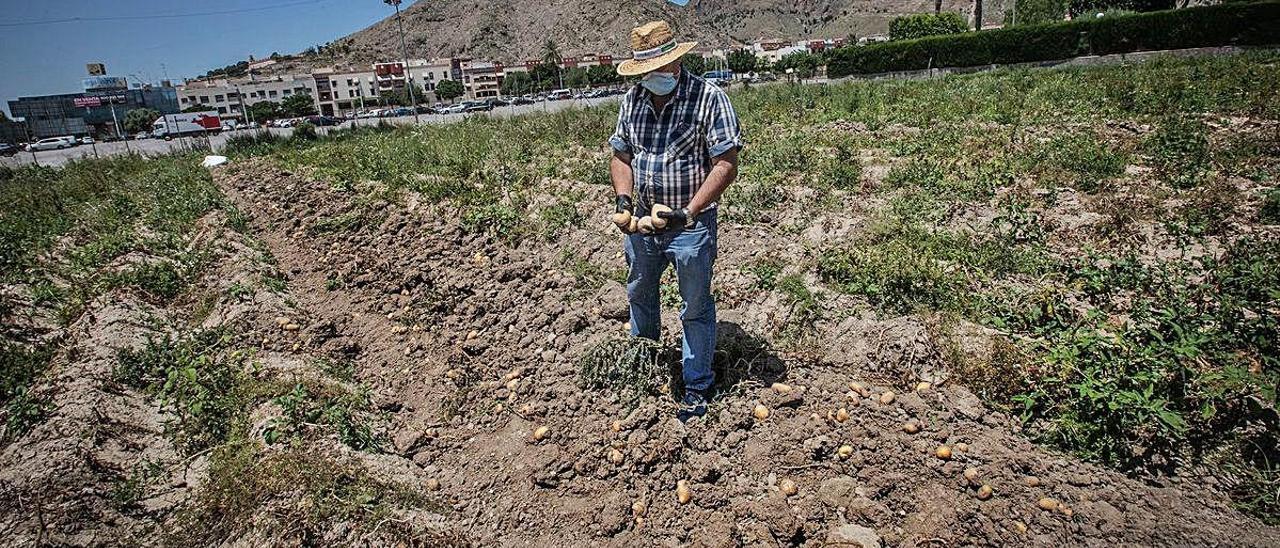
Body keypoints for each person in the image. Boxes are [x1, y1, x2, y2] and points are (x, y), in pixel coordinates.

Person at [607, 20, 743, 422]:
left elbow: (725, 163)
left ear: (675, 62)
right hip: (643, 226)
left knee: (695, 305)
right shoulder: (633, 100)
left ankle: (697, 384)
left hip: (691, 227)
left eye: (658, 69)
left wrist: (691, 210)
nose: (652, 78)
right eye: (645, 71)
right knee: (639, 294)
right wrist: (624, 200)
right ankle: (644, 366)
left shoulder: (708, 98)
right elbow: (621, 155)